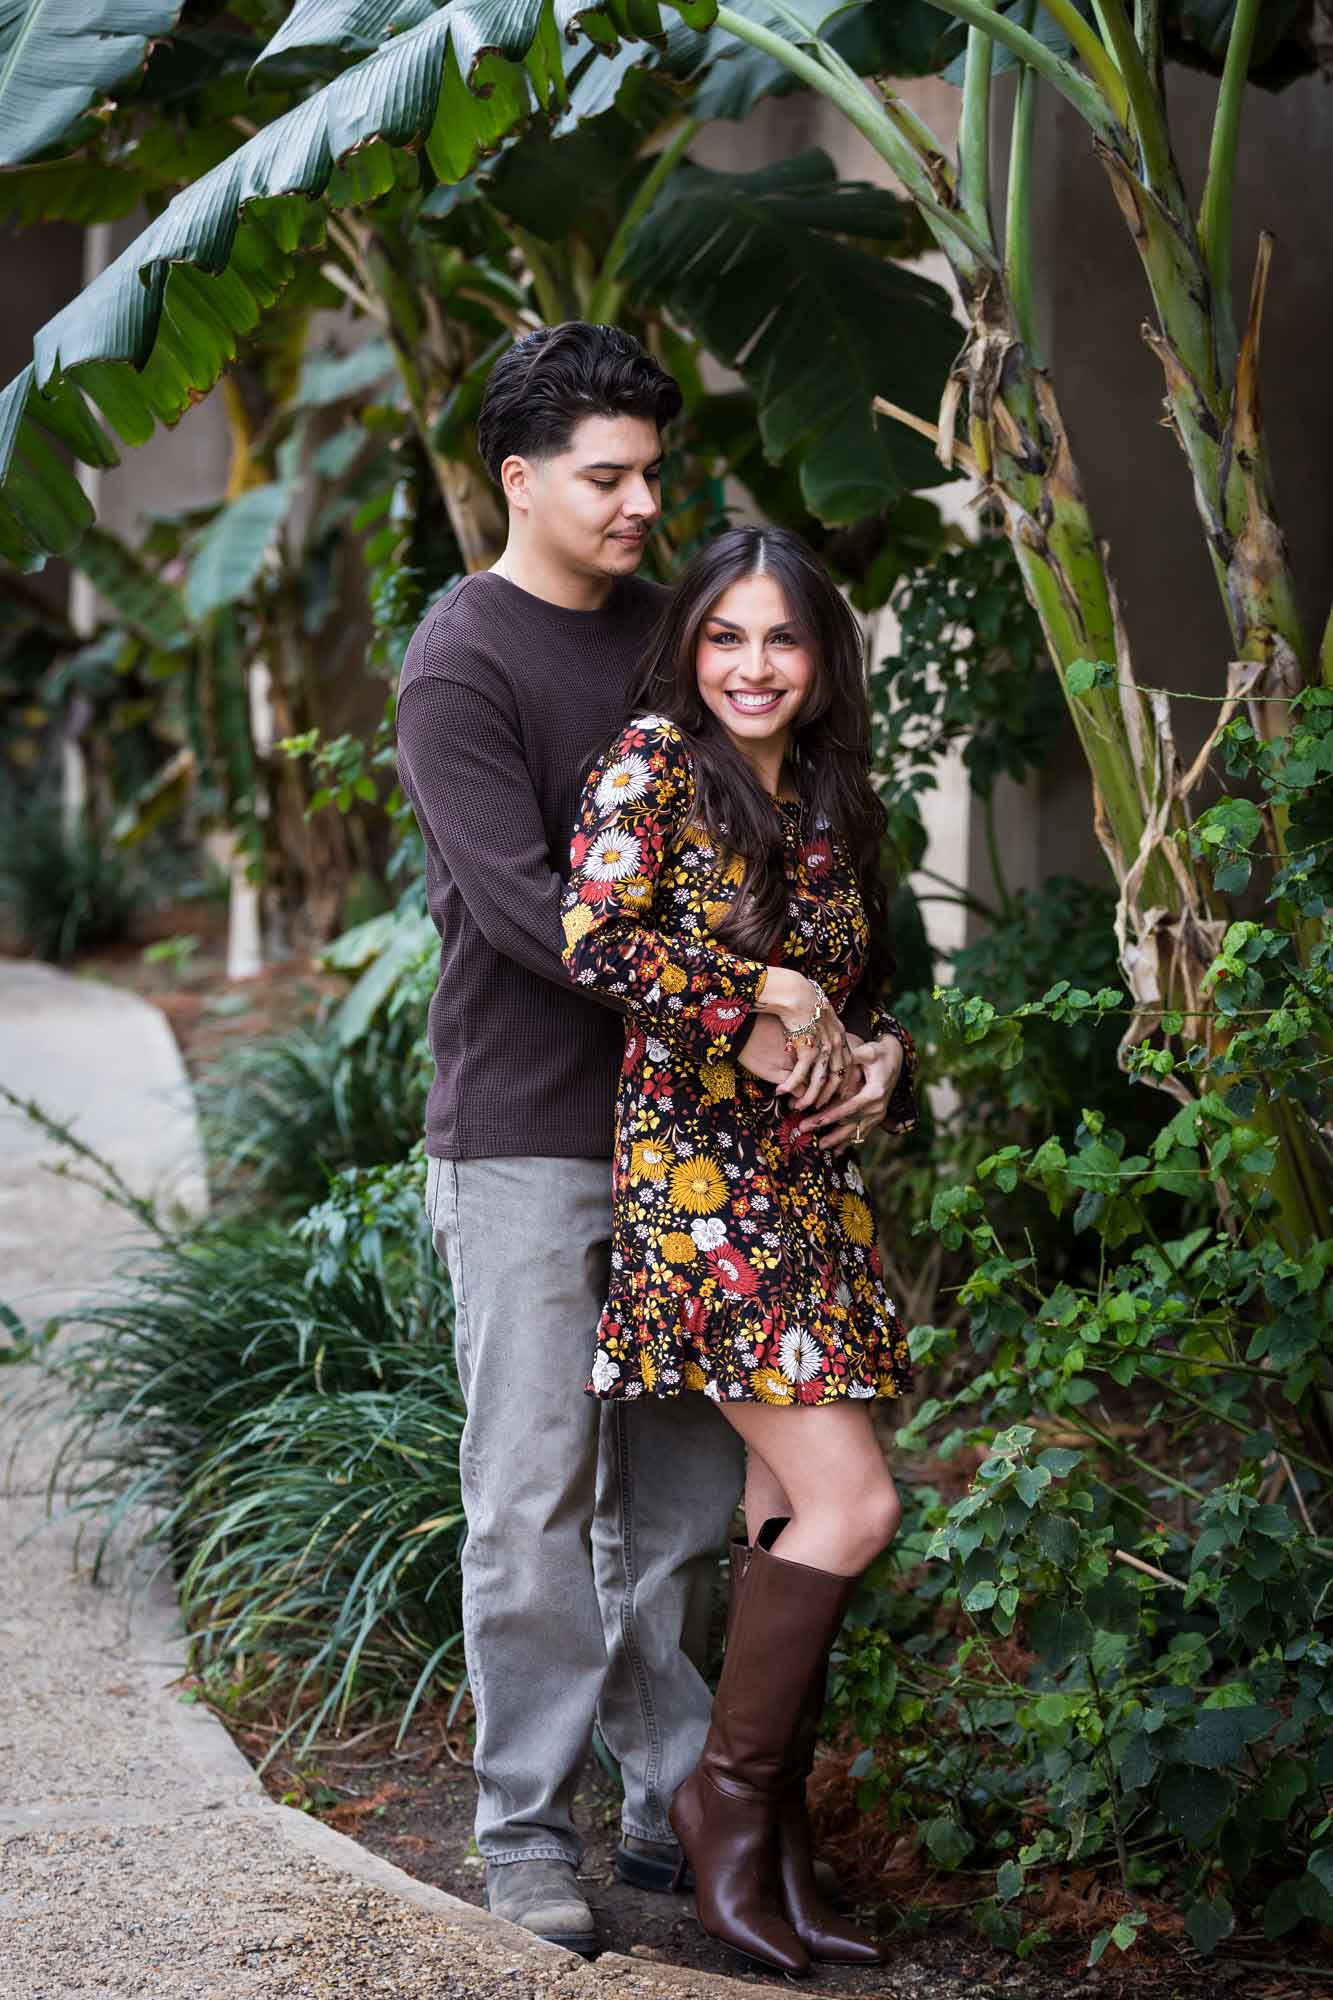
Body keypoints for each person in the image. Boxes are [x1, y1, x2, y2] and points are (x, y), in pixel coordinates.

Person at [396, 322, 861, 1958]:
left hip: (707, 1157)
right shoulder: (463, 656)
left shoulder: (683, 640)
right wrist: (744, 1007)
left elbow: (781, 852)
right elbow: (532, 906)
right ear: (519, 480)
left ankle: (680, 1810)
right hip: (527, 1132)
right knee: (530, 1500)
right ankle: (523, 1834)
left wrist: (846, 1043)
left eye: (652, 473)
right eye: (607, 476)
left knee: (668, 1513)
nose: (639, 503)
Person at [560, 525, 918, 1976]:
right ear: (688, 649)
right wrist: (748, 981)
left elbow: (871, 992)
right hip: (703, 1198)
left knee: (782, 1510)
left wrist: (884, 1054)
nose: (752, 667)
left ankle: (768, 1848)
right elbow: (594, 937)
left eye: (780, 640)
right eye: (725, 637)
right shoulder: (653, 762)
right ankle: (719, 1800)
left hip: (811, 1198)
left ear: (819, 655)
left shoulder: (827, 793)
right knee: (855, 1504)